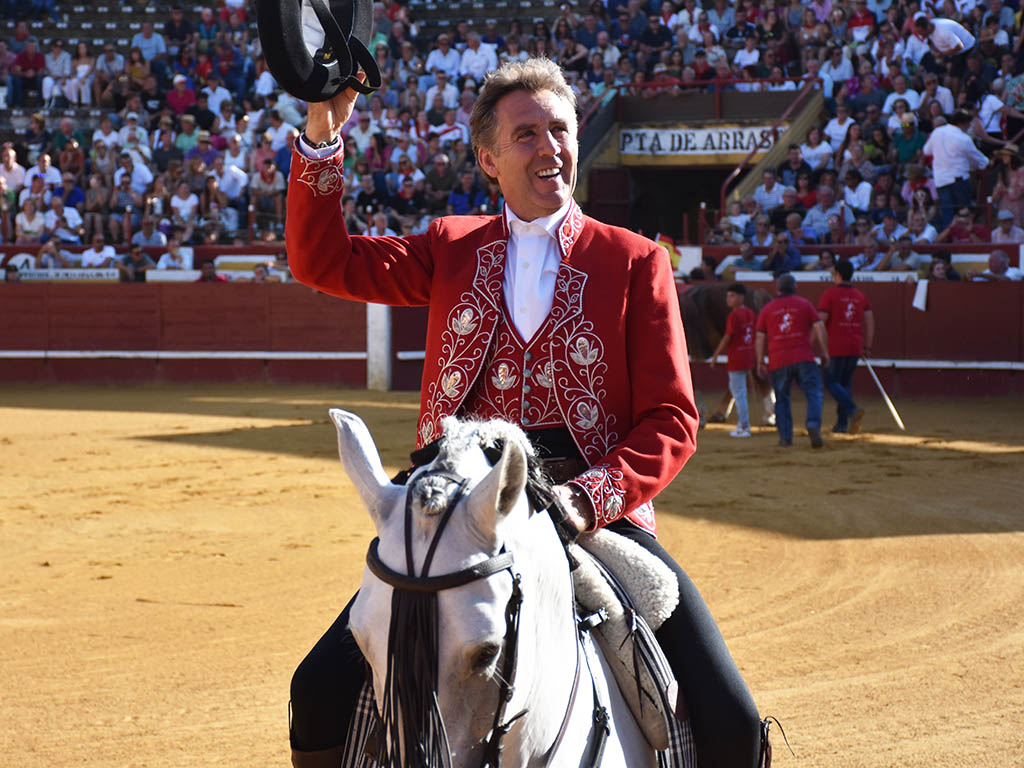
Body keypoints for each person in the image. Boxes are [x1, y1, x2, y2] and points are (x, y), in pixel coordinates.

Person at [284, 57, 762, 768]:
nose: (551, 147)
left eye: (560, 130)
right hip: (458, 512)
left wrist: (586, 498)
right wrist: (323, 133)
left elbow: (671, 419)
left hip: (591, 513)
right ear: (489, 158)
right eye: (527, 134)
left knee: (732, 719)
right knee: (317, 690)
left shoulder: (634, 261)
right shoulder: (451, 246)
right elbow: (321, 260)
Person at [755, 272, 829, 448]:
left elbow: (759, 336)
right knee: (814, 393)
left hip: (778, 359)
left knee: (782, 398)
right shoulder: (804, 304)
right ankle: (812, 423)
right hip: (804, 357)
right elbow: (819, 327)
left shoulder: (768, 308)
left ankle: (786, 438)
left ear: (778, 288)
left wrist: (759, 361)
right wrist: (825, 352)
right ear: (795, 288)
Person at [818, 259, 874, 434]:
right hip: (855, 346)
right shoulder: (860, 296)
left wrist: (816, 342)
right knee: (845, 384)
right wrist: (868, 346)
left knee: (831, 381)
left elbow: (821, 321)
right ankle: (841, 424)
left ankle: (851, 409)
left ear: (839, 275)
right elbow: (870, 322)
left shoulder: (830, 294)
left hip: (836, 345)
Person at [922, 109, 989, 227]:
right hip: (959, 182)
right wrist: (989, 161)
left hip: (941, 180)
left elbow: (926, 151)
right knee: (963, 214)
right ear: (962, 123)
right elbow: (981, 160)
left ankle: (950, 240)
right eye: (968, 123)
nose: (969, 126)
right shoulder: (964, 138)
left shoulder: (937, 132)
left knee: (948, 215)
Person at [709, 282, 756, 437]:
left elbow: (727, 337)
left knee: (739, 393)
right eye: (728, 295)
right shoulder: (749, 312)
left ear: (741, 297)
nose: (728, 299)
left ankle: (744, 426)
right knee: (739, 390)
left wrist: (715, 356)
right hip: (748, 355)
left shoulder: (734, 315)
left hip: (737, 358)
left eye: (732, 295)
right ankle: (744, 424)